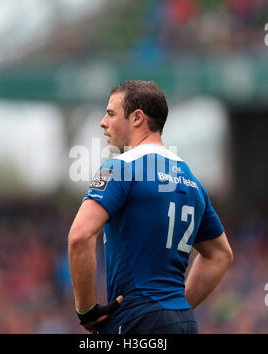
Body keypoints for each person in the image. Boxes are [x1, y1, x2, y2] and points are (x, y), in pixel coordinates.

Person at [68, 80, 233, 334]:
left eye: (111, 113)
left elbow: (79, 237)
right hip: (184, 322)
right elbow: (220, 255)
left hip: (136, 319)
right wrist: (175, 307)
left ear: (137, 118)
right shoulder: (192, 181)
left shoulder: (120, 168)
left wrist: (87, 312)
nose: (103, 122)